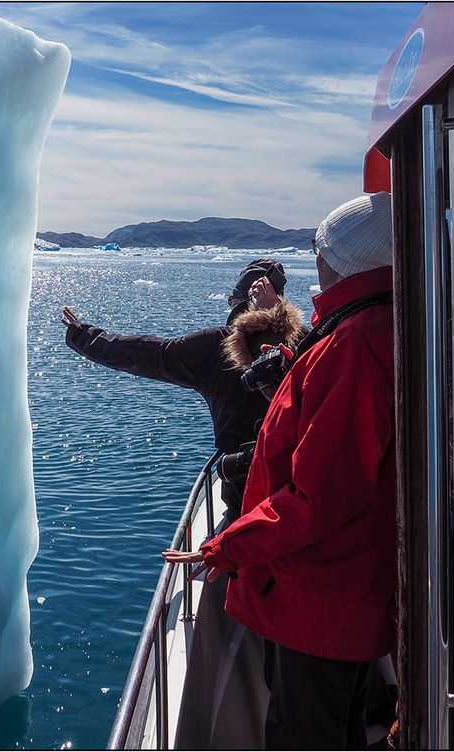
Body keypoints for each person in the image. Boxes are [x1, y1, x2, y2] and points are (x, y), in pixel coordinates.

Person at [165, 192, 397, 750]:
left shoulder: (353, 343)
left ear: (339, 259)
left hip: (319, 599)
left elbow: (319, 497)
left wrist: (227, 546)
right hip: (348, 590)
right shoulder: (369, 324)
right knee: (338, 727)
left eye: (320, 249)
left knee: (304, 734)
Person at [61, 258, 304, 524]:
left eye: (231, 301)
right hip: (299, 490)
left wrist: (83, 336)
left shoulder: (218, 346)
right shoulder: (307, 340)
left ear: (240, 302)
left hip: (244, 498)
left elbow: (148, 353)